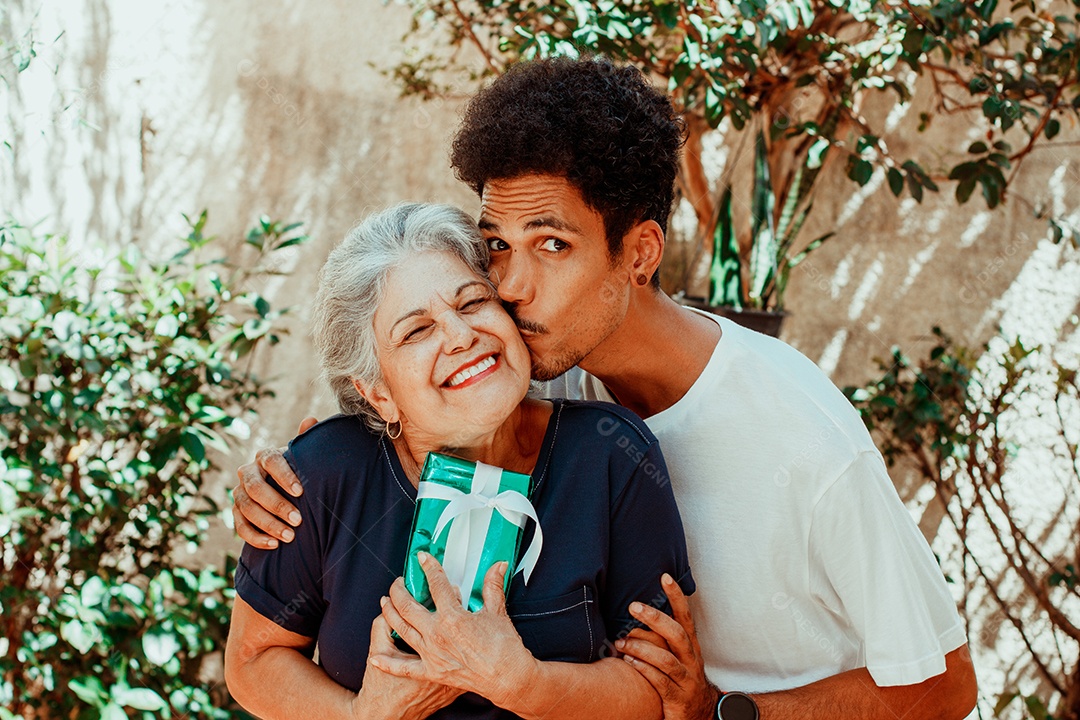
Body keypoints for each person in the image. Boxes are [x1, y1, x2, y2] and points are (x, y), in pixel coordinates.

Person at [233, 57, 979, 720]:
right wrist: (292, 473)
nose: (511, 290)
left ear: (640, 253)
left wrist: (719, 713)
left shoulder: (800, 436)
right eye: (497, 247)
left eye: (552, 246)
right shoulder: (553, 360)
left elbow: (945, 687)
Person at [223, 203, 695, 720]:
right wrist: (362, 717)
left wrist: (525, 684)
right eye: (416, 331)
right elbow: (253, 661)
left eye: (472, 302)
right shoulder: (325, 472)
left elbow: (657, 690)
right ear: (378, 394)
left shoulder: (611, 455)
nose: (460, 335)